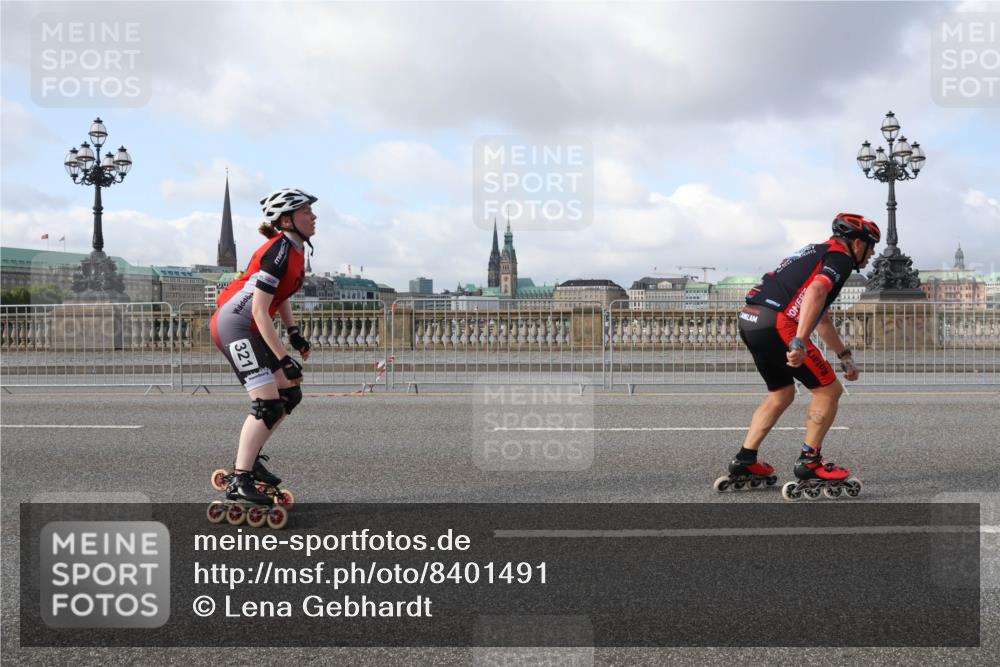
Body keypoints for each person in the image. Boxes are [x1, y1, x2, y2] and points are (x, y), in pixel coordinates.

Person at [717, 213, 881, 499]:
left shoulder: (815, 252)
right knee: (828, 390)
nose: (872, 254)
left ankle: (745, 461)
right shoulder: (841, 258)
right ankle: (810, 463)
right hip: (779, 322)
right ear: (857, 244)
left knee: (781, 394)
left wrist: (844, 356)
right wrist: (800, 341)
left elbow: (821, 317)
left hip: (751, 318)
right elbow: (816, 292)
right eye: (871, 247)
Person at [210, 188, 317, 506]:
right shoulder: (278, 252)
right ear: (287, 220)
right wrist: (283, 357)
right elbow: (258, 310)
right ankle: (240, 478)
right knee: (267, 403)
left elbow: (280, 296)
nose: (313, 217)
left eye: (311, 212)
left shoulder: (296, 250)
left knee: (289, 393)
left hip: (251, 327)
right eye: (306, 212)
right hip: (236, 326)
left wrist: (294, 332)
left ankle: (250, 459)